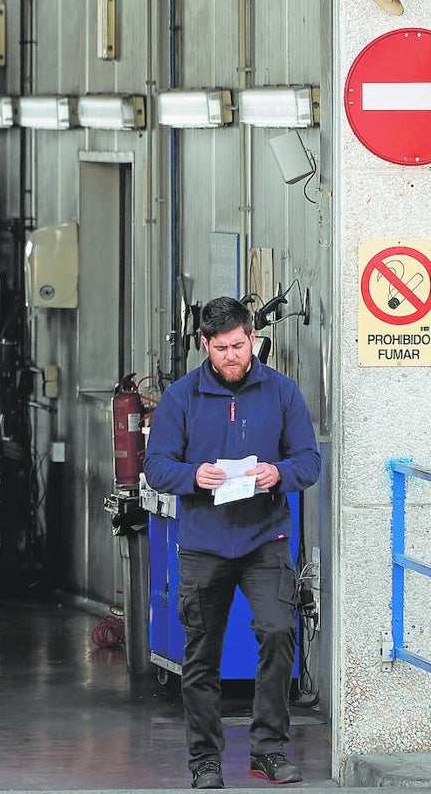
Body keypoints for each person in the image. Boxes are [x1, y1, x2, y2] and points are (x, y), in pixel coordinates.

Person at [143, 296, 321, 790]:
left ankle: (268, 749)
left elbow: (309, 461)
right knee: (200, 654)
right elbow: (156, 466)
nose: (231, 356)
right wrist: (193, 476)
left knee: (278, 632)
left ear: (252, 339)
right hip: (204, 543)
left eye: (239, 346)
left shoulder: (283, 393)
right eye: (220, 348)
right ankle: (204, 759)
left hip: (266, 540)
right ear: (205, 345)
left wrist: (277, 472)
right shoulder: (180, 398)